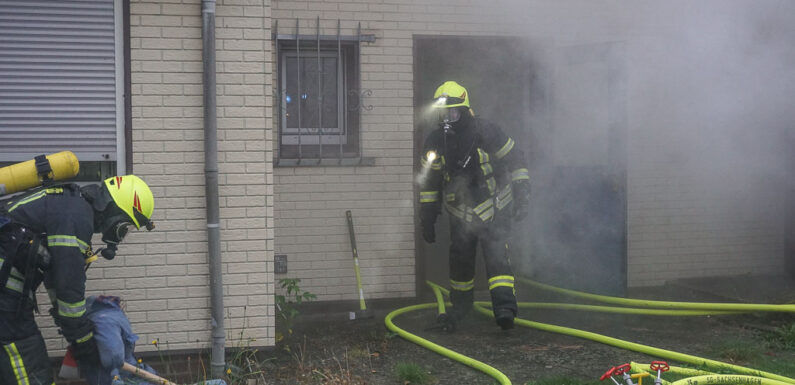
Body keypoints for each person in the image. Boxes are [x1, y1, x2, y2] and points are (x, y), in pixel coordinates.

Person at [0, 175, 155, 385]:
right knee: (29, 363)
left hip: (9, 293)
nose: (121, 235)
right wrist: (84, 343)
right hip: (7, 300)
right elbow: (68, 287)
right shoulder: (76, 216)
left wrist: (72, 328)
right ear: (115, 211)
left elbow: (56, 278)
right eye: (125, 227)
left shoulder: (71, 206)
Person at [419, 81, 530, 330]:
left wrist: (522, 192)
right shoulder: (435, 142)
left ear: (465, 110)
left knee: (498, 260)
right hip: (461, 214)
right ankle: (461, 309)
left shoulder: (486, 131)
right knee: (460, 264)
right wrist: (428, 217)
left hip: (494, 208)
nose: (448, 118)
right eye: (443, 113)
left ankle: (504, 310)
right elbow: (430, 183)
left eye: (453, 113)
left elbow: (516, 159)